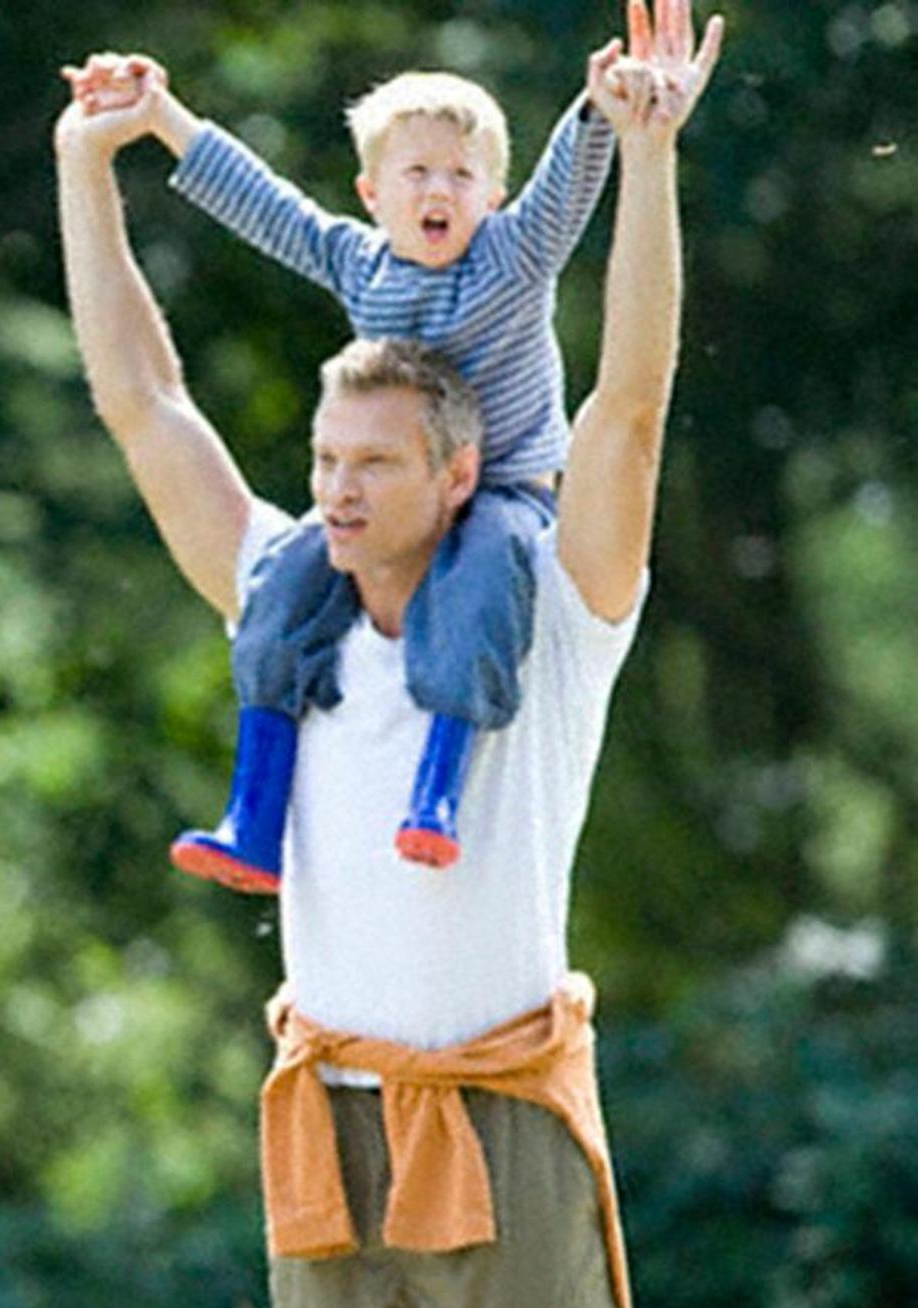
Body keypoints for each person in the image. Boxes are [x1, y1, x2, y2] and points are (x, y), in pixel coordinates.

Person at [56, 0, 721, 1308]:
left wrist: (647, 157)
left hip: (501, 1126)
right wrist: (87, 168)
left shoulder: (551, 608)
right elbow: (144, 407)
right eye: (323, 463)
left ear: (459, 470)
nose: (336, 494)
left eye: (372, 466)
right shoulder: (285, 595)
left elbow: (629, 407)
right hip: (325, 1131)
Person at [69, 45, 620, 891]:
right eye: (417, 173)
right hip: (399, 499)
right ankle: (254, 816)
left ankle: (436, 792)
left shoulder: (513, 257)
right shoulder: (359, 262)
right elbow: (266, 204)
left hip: (503, 491)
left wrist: (597, 111)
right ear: (372, 194)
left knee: (481, 584)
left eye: (463, 175)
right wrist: (161, 119)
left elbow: (565, 193)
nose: (440, 191)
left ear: (493, 195)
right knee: (284, 586)